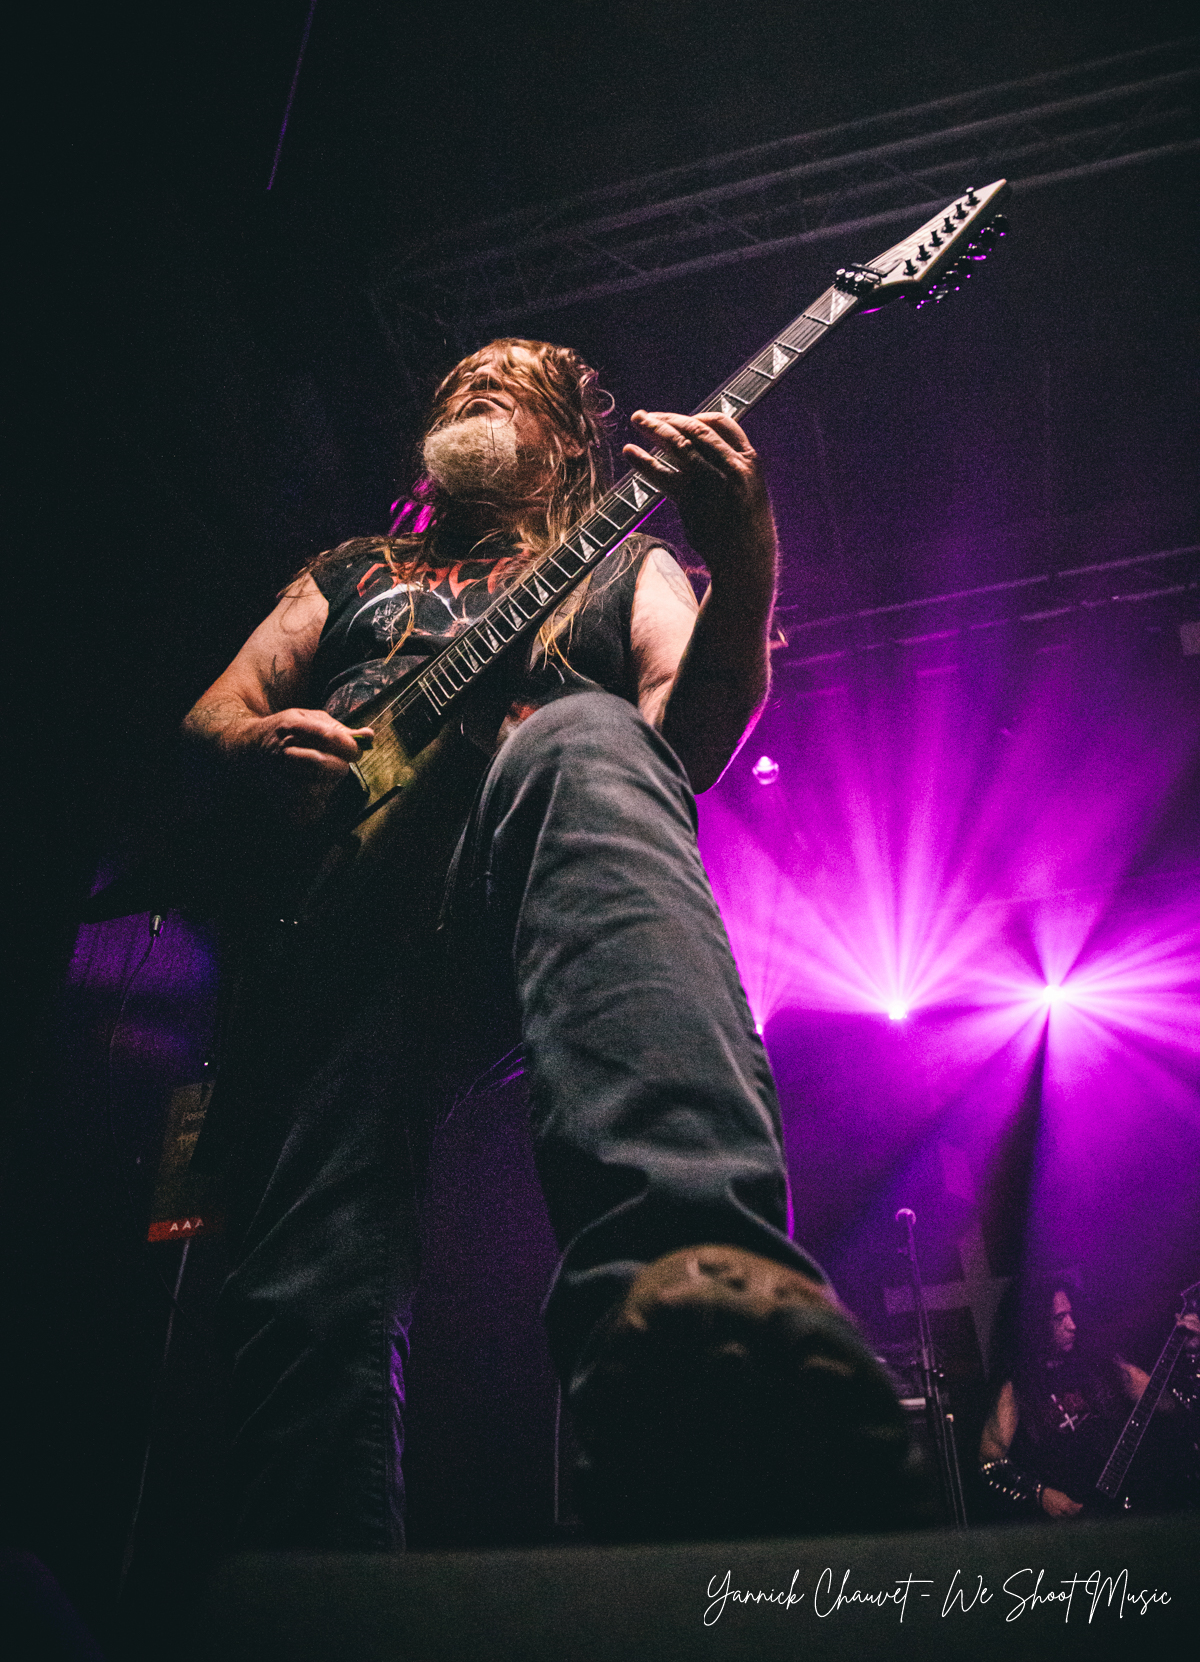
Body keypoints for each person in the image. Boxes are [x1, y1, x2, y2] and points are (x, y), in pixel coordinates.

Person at [184, 338, 908, 1550]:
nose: (477, 382)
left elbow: (693, 734)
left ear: (577, 436)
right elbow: (216, 710)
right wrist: (260, 751)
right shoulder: (351, 571)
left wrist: (745, 553)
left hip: (531, 879)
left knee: (587, 736)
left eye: (515, 377)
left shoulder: (631, 568)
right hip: (334, 926)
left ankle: (695, 1283)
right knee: (309, 1297)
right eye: (462, 376)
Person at [979, 1277, 1200, 1518]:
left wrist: (1191, 1355)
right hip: (1071, 1526)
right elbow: (990, 1461)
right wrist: (1040, 1494)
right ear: (1034, 1324)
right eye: (1059, 1318)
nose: (1072, 1325)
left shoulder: (1103, 1366)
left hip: (1133, 1510)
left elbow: (1180, 1406)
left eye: (1071, 1315)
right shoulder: (1018, 1388)